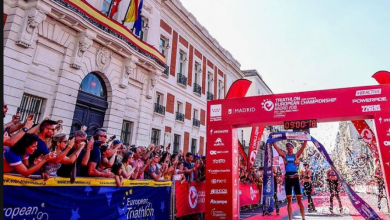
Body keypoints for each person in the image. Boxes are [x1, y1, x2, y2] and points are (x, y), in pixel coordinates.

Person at [272, 141, 308, 220]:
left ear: (293, 148)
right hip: (288, 179)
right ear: (287, 149)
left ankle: (303, 218)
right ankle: (290, 219)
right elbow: (277, 149)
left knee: (299, 201)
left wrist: (305, 139)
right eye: (288, 147)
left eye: (290, 147)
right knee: (289, 201)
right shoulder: (285, 156)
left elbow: (302, 149)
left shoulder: (296, 156)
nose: (289, 148)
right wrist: (273, 140)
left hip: (295, 179)